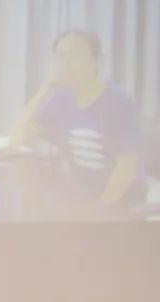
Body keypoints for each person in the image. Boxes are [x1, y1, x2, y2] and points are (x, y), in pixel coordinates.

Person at [8, 29, 145, 220]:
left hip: (120, 203)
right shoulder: (60, 98)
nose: (66, 64)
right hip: (80, 199)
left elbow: (126, 168)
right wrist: (44, 90)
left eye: (75, 55)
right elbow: (17, 140)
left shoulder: (119, 103)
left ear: (97, 60)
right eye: (61, 57)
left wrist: (97, 210)